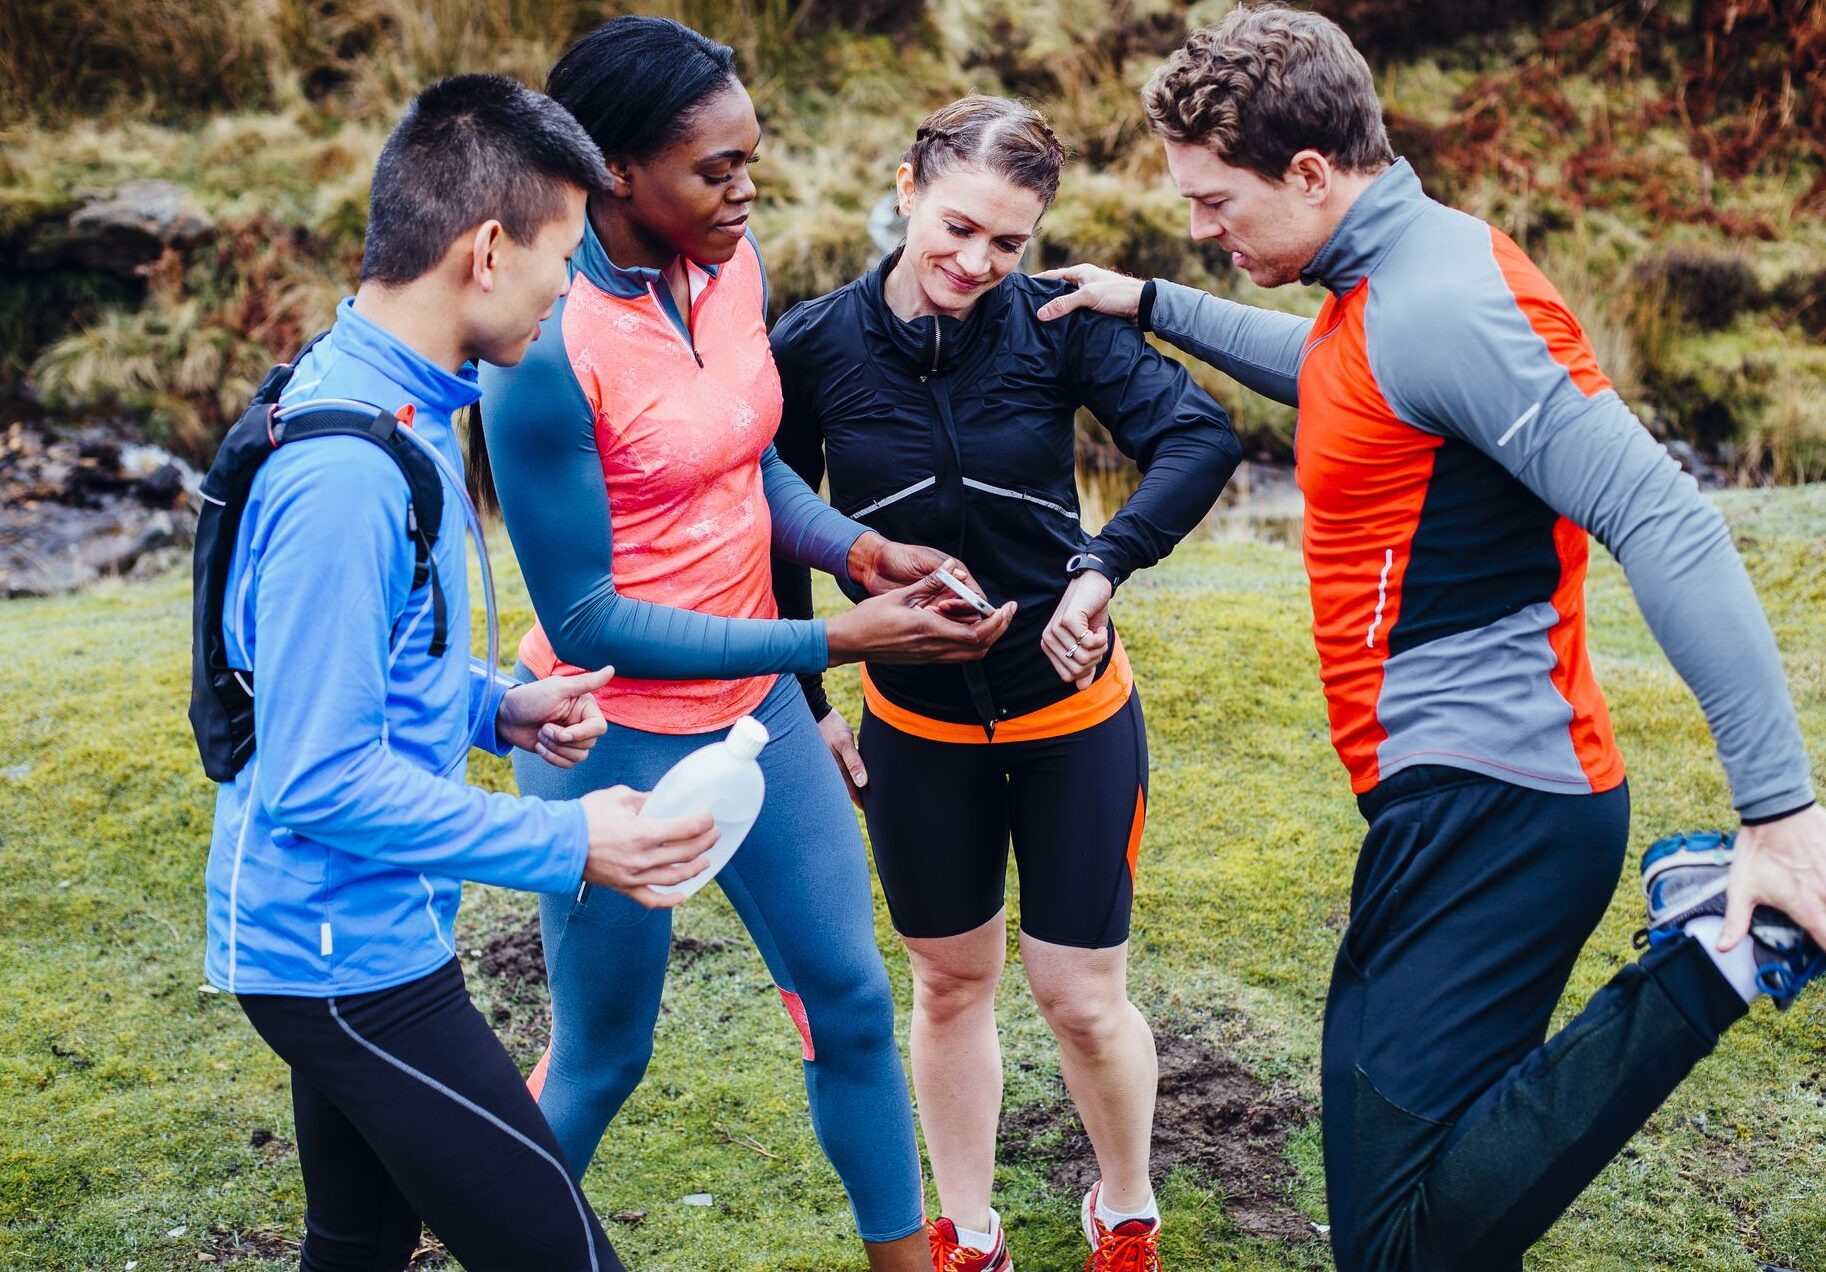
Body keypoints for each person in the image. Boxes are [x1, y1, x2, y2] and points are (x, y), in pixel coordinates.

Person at [1036, 6, 1826, 1269]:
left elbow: (1665, 517)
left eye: (1215, 203)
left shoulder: (1444, 302)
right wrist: (1155, 302)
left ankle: (1728, 945)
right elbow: (1342, 377)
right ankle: (1719, 941)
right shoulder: (1384, 287)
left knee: (1401, 1247)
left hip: (1496, 808)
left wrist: (1779, 808)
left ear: (1313, 175)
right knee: (1418, 1205)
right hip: (1451, 803)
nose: (1201, 228)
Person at [475, 19, 1013, 1271]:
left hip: (757, 719)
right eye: (715, 168)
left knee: (855, 1006)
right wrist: (833, 637)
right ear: (614, 170)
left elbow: (746, 454)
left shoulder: (727, 265)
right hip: (610, 743)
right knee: (605, 1053)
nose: (746, 189)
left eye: (750, 161)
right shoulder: (544, 351)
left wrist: (857, 549)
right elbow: (584, 622)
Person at [202, 75, 725, 1272]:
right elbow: (318, 780)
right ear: (489, 251)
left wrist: (497, 706)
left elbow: (369, 654)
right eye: (562, 258)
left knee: (359, 1243)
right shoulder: (349, 472)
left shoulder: (399, 397)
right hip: (342, 955)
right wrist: (572, 842)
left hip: (358, 932)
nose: (571, 289)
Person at [771, 96, 1243, 1272]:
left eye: (1009, 243)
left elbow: (1199, 435)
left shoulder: (1056, 324)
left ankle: (1125, 1208)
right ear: (905, 187)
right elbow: (774, 531)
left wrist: (1101, 568)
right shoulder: (815, 345)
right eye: (960, 228)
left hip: (1070, 714)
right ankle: (967, 1233)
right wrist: (813, 704)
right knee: (947, 985)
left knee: (1081, 998)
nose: (978, 264)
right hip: (915, 730)